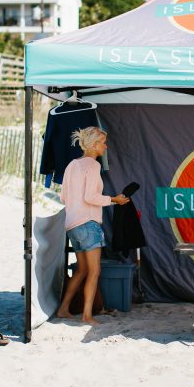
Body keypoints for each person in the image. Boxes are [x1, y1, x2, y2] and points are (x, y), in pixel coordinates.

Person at [56, 127, 129, 325]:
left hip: (72, 224)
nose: (106, 146)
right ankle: (87, 316)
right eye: (103, 143)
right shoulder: (93, 166)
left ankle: (63, 309)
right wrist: (114, 199)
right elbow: (90, 197)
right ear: (95, 144)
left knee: (81, 270)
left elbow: (63, 196)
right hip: (88, 223)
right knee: (94, 271)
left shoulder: (72, 164)